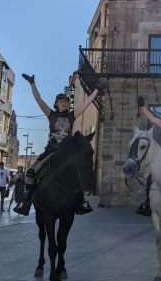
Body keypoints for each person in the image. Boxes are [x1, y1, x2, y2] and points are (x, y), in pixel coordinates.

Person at [13, 73, 101, 216]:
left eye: (65, 101)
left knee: (78, 171)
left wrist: (96, 90)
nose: (64, 103)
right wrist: (32, 84)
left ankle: (82, 201)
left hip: (67, 151)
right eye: (61, 101)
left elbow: (86, 104)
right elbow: (38, 99)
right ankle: (26, 202)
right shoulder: (51, 114)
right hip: (52, 150)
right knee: (31, 172)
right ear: (56, 104)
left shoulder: (71, 116)